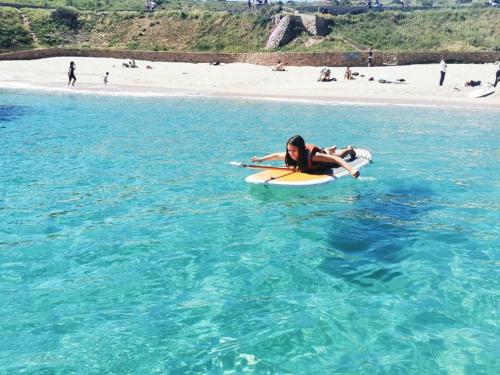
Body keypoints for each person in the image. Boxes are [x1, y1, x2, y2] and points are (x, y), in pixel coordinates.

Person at [251, 135, 360, 178]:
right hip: (321, 154)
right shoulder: (290, 154)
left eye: (294, 150)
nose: (291, 153)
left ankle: (349, 149)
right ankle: (330, 148)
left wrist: (351, 170)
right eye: (289, 150)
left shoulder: (312, 156)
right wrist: (261, 159)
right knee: (326, 151)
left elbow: (336, 159)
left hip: (324, 160)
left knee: (337, 156)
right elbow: (276, 155)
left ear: (301, 150)